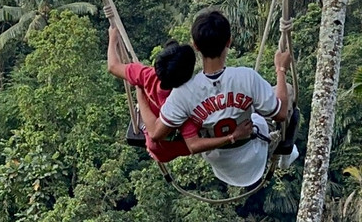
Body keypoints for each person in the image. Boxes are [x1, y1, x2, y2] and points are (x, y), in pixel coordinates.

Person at [151, 9, 300, 188]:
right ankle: (286, 152)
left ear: (195, 46)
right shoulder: (247, 77)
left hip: (222, 165)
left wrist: (141, 98)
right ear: (229, 41)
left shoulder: (183, 92)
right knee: (286, 91)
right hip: (254, 156)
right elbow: (281, 114)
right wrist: (280, 70)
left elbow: (156, 134)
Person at [105, 27, 253, 163]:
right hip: (169, 149)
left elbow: (112, 66)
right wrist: (232, 137)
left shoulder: (147, 75)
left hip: (157, 147)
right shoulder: (183, 103)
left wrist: (112, 39)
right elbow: (193, 145)